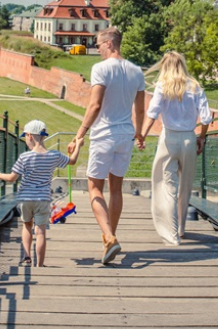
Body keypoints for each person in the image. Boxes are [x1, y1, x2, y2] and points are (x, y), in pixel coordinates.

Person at [69, 27, 145, 265]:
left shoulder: (100, 69)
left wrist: (79, 135)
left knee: (94, 189)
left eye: (99, 44)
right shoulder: (136, 70)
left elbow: (95, 105)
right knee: (116, 189)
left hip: (104, 134)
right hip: (126, 135)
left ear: (110, 43)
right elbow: (140, 109)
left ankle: (109, 238)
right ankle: (110, 238)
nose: (97, 48)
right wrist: (140, 133)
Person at [138, 51, 212, 245]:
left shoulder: (163, 87)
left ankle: (171, 234)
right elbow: (206, 118)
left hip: (169, 139)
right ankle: (181, 228)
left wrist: (142, 135)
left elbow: (152, 113)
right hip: (189, 138)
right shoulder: (195, 87)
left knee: (168, 186)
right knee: (185, 187)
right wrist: (201, 138)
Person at [0, 120, 83, 267]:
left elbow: (12, 178)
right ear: (43, 136)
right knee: (40, 232)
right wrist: (78, 145)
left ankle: (27, 258)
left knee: (27, 226)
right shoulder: (54, 155)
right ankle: (40, 265)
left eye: (25, 137)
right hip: (43, 199)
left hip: (26, 199)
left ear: (30, 136)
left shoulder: (25, 157)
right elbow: (72, 161)